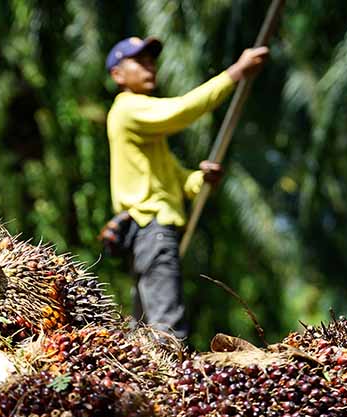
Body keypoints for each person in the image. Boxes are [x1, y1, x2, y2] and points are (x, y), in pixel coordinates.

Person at [105, 36, 268, 338]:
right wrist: (235, 73)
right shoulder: (129, 109)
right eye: (139, 62)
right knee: (167, 328)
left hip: (145, 233)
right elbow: (181, 111)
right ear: (118, 75)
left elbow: (178, 181)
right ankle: (169, 384)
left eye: (151, 61)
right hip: (151, 229)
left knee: (143, 331)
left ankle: (142, 381)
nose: (150, 67)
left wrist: (199, 179)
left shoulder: (146, 132)